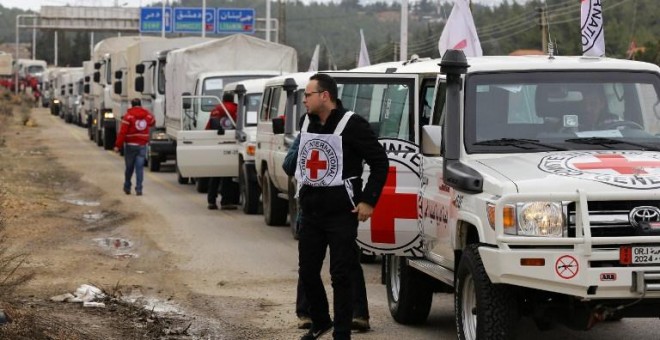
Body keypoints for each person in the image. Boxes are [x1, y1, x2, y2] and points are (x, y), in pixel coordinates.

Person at [295, 73, 388, 340]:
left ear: (325, 95)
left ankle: (342, 332)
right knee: (308, 272)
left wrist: (368, 200)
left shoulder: (353, 124)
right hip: (311, 212)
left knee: (341, 274)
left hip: (341, 215)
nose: (304, 101)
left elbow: (380, 162)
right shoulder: (306, 123)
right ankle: (322, 321)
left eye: (308, 95)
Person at [283, 134, 371, 332]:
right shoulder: (306, 134)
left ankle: (358, 314)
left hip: (341, 211)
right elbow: (288, 165)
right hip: (312, 210)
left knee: (348, 262)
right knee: (309, 265)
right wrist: (306, 147)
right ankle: (306, 313)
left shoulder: (347, 132)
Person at [114, 98, 155, 196]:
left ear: (131, 105)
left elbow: (122, 132)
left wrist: (117, 145)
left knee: (129, 168)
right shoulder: (147, 115)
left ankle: (127, 186)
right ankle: (139, 189)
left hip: (130, 146)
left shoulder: (128, 117)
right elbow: (152, 122)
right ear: (140, 105)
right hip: (142, 146)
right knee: (139, 168)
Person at [206, 93, 240, 210]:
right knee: (227, 175)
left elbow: (209, 127)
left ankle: (211, 201)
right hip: (231, 144)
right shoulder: (236, 109)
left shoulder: (216, 109)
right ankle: (226, 202)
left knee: (215, 174)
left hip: (216, 144)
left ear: (223, 99)